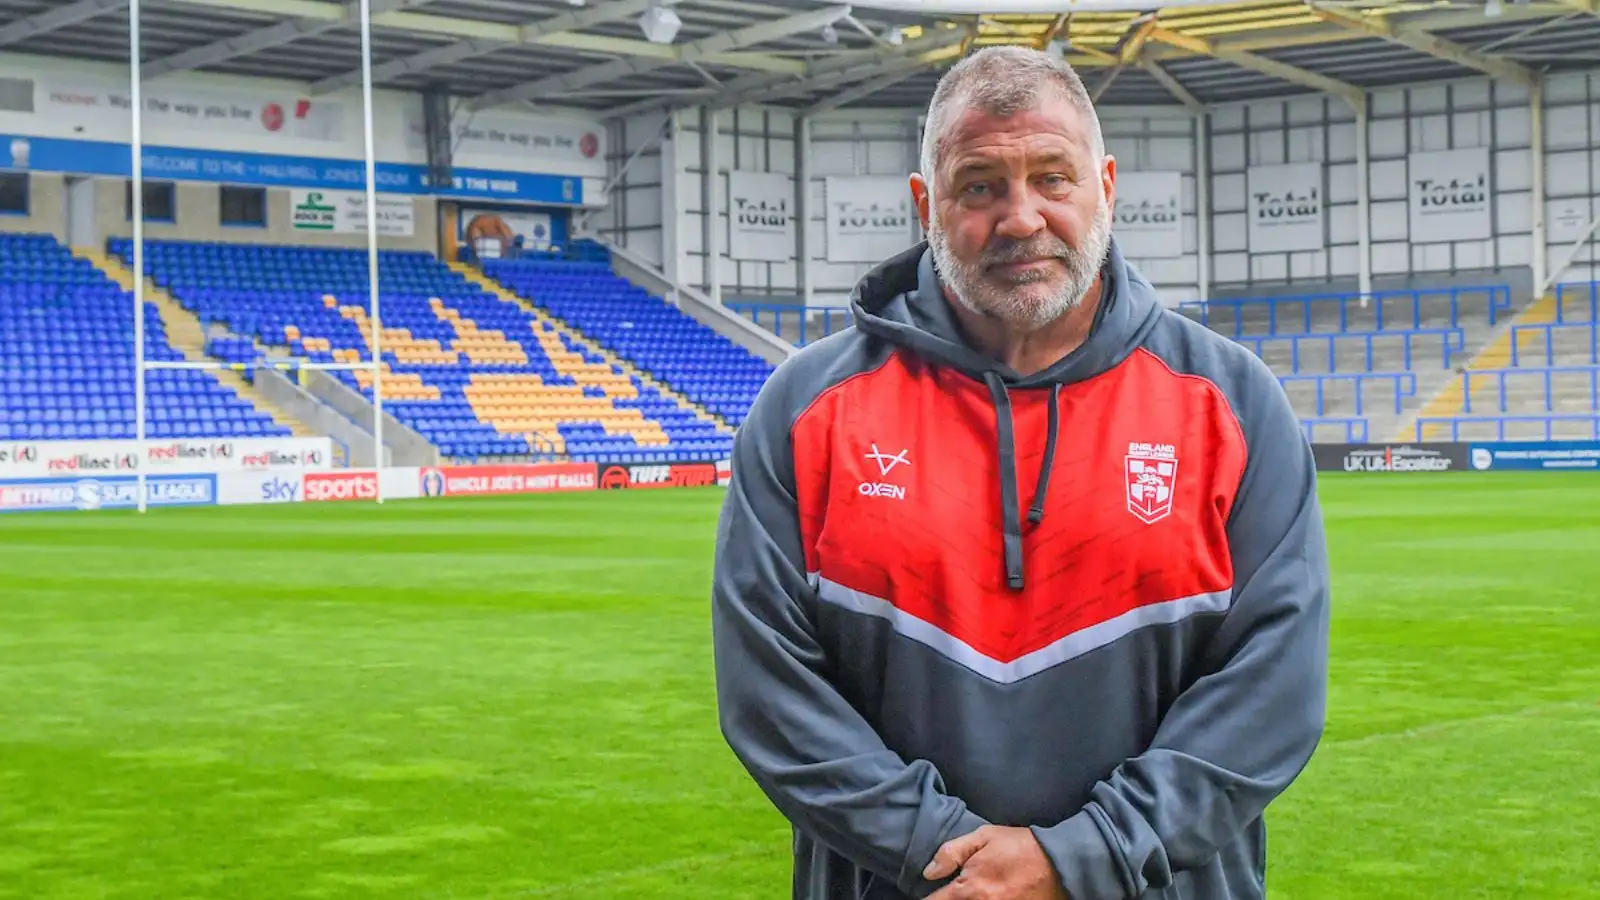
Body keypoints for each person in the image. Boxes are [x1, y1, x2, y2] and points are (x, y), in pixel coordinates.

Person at [710, 45, 1330, 900]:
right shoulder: (806, 412)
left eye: (1053, 177)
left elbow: (1272, 690)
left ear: (1106, 186)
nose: (1021, 217)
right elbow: (769, 693)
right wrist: (950, 855)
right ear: (926, 204)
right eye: (980, 186)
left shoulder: (1231, 404)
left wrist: (1084, 857)